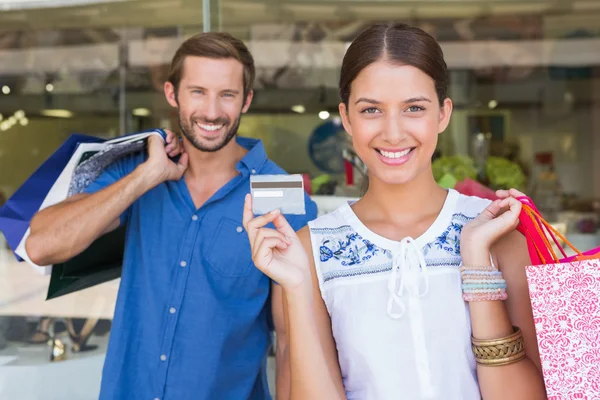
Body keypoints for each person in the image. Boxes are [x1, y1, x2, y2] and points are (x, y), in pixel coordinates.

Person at [243, 24, 546, 400]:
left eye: (414, 108)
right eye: (371, 110)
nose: (393, 132)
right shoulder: (309, 251)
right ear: (347, 119)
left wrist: (476, 264)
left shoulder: (497, 232)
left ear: (443, 114)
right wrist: (297, 288)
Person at [25, 32, 317, 400]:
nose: (211, 111)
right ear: (171, 93)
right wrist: (146, 177)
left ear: (246, 101)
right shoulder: (138, 172)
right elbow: (41, 245)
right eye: (198, 92)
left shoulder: (282, 196)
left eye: (227, 94)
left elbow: (291, 342)